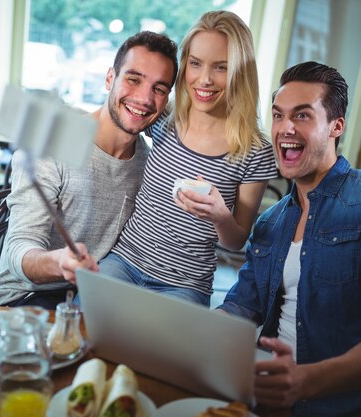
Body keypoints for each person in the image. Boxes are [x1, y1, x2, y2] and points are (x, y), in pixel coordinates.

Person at [218, 61, 361, 416]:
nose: (285, 128)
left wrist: (305, 380)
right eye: (278, 115)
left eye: (302, 116)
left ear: (336, 126)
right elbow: (241, 308)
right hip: (267, 396)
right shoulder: (271, 223)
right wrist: (190, 334)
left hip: (345, 406)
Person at [0, 31, 178, 309]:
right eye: (133, 79)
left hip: (98, 294)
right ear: (109, 78)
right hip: (29, 296)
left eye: (159, 89)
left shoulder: (150, 165)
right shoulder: (54, 139)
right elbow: (17, 250)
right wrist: (59, 262)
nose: (145, 98)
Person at [99, 11, 278, 306]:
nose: (204, 79)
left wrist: (221, 215)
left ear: (239, 72)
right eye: (195, 63)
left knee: (160, 353)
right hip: (123, 263)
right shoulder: (166, 118)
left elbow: (236, 241)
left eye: (221, 67)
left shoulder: (254, 149)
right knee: (86, 331)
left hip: (185, 284)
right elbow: (117, 117)